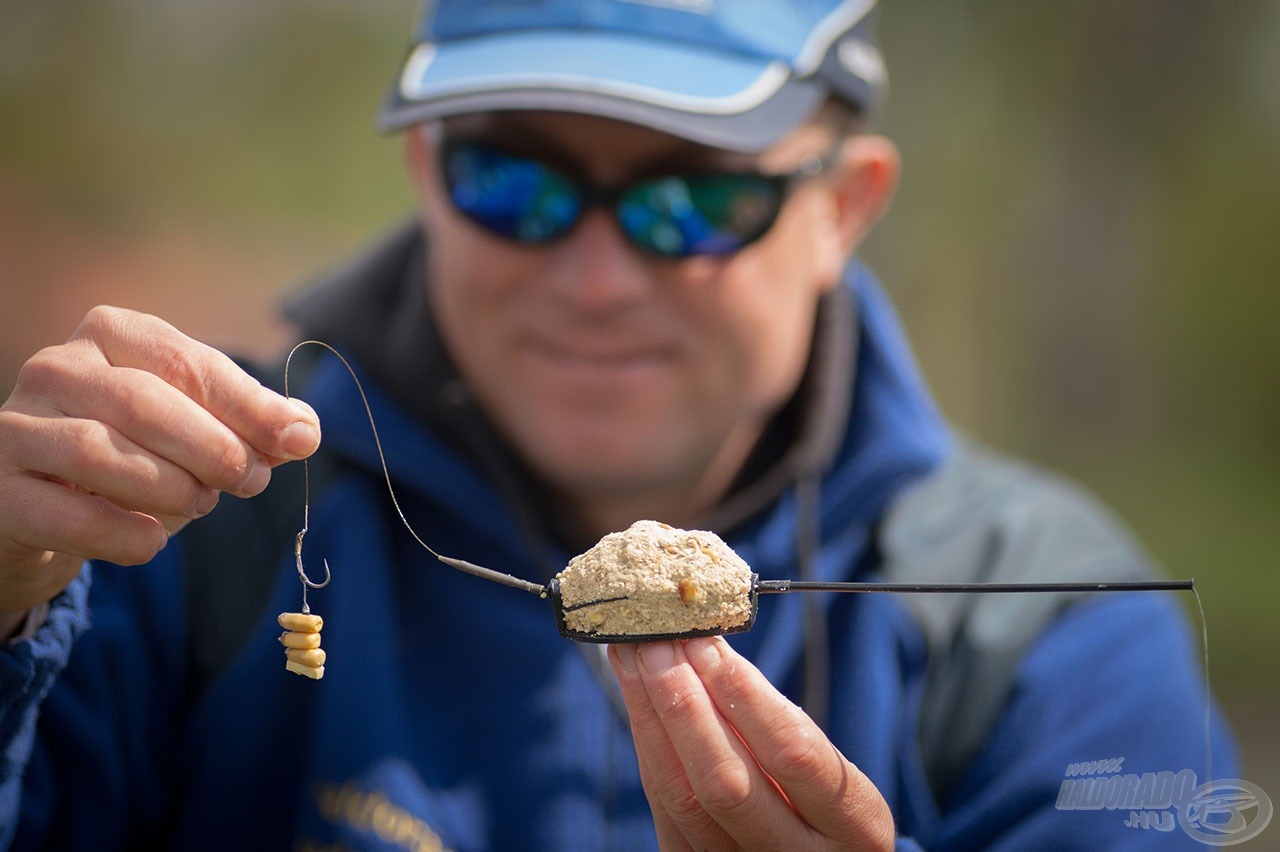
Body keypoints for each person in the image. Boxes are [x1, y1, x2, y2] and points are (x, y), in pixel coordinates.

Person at [0, 1, 1238, 849]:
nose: (595, 281)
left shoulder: (1060, 639)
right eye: (513, 180)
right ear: (429, 171)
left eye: (691, 200)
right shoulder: (177, 525)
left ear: (842, 211)